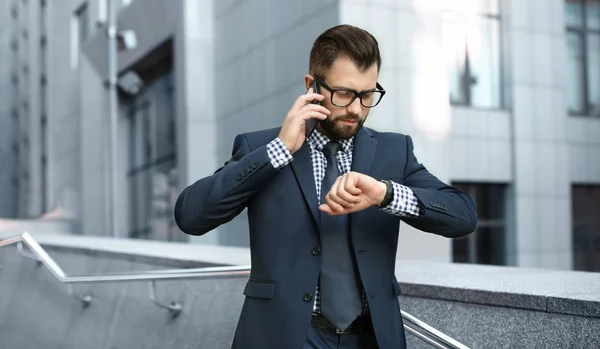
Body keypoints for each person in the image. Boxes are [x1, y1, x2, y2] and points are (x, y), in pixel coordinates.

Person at [174, 24, 477, 349]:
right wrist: (278, 151)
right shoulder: (261, 148)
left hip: (370, 339)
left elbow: (463, 216)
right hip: (286, 337)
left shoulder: (394, 151)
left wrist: (386, 194)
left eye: (368, 94)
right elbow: (191, 216)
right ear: (311, 85)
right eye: (344, 94)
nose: (357, 109)